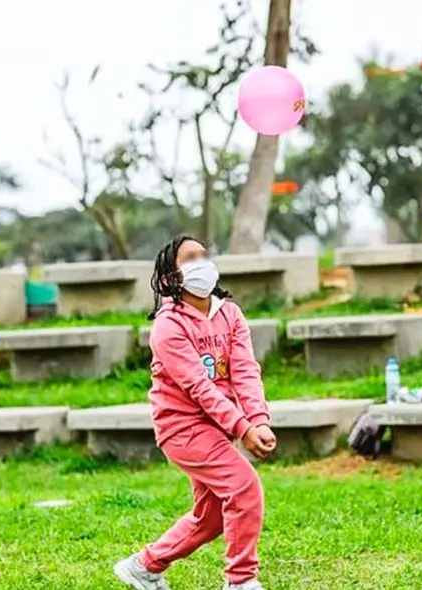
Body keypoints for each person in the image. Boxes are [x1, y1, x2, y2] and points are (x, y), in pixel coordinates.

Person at [114, 235, 277, 590]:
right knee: (244, 488)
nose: (202, 262)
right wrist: (243, 428)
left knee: (211, 517)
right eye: (190, 258)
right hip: (183, 429)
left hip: (217, 427)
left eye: (204, 255)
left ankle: (144, 566)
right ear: (171, 277)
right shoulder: (168, 325)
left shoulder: (230, 313)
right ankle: (241, 581)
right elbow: (198, 387)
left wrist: (258, 420)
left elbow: (245, 371)